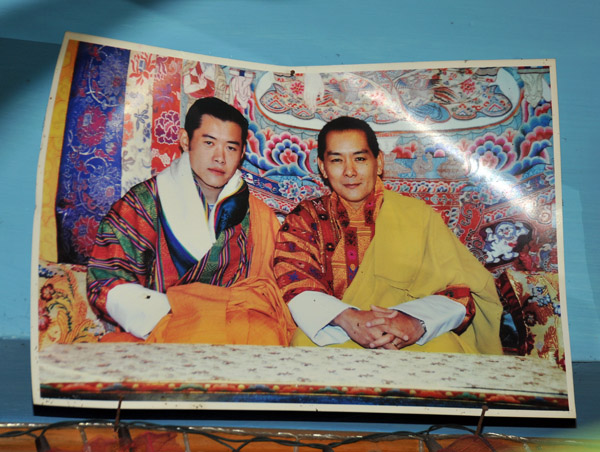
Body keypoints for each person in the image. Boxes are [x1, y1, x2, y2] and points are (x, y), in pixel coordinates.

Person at [273, 116, 503, 354]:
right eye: (337, 160)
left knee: (447, 349)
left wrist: (415, 322)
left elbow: (462, 291)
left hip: (406, 336)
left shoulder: (418, 216)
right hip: (338, 331)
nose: (350, 171)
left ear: (379, 162)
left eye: (360, 159)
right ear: (323, 167)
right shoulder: (306, 219)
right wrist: (347, 318)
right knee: (303, 343)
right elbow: (295, 281)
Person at [87, 97, 295, 345]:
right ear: (186, 141)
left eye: (231, 147)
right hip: (165, 326)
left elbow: (275, 286)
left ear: (241, 154)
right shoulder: (144, 203)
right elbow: (107, 280)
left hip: (241, 328)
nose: (220, 158)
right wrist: (181, 312)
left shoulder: (257, 214)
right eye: (209, 143)